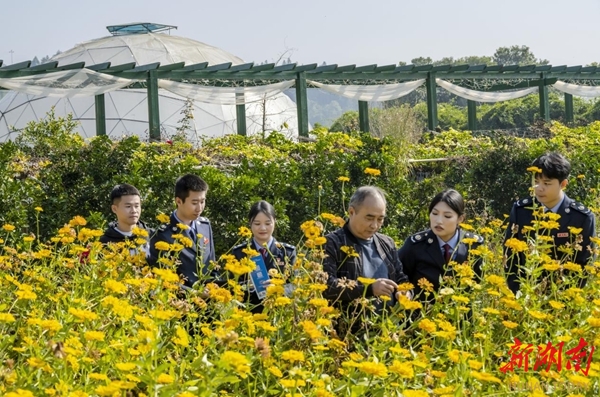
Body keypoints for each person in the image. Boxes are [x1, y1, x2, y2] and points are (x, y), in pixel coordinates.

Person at [322, 186, 412, 333]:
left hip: (386, 333)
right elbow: (326, 286)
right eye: (369, 218)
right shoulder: (331, 243)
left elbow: (401, 278)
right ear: (351, 212)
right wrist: (368, 289)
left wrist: (404, 292)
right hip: (346, 333)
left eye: (380, 219)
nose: (374, 225)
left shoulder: (387, 244)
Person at [504, 152, 596, 294]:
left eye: (547, 183)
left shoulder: (581, 217)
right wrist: (518, 293)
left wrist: (565, 297)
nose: (539, 188)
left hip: (563, 297)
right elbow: (510, 257)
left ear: (563, 184)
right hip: (526, 295)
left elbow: (585, 263)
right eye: (536, 182)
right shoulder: (521, 210)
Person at [398, 189, 483, 302]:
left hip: (460, 316)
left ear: (460, 219)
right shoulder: (416, 245)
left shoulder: (473, 245)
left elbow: (478, 283)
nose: (438, 221)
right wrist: (405, 292)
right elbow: (398, 273)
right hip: (421, 315)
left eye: (447, 216)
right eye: (434, 213)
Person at [148, 174, 219, 289]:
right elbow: (161, 277)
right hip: (180, 301)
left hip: (208, 301)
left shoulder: (205, 225)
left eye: (202, 201)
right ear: (179, 201)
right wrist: (194, 293)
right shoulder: (163, 234)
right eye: (194, 203)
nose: (199, 208)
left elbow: (212, 266)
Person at [231, 200, 296, 312]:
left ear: (275, 222)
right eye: (257, 224)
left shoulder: (287, 252)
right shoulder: (239, 252)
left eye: (267, 223)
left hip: (279, 314)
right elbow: (231, 285)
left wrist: (277, 289)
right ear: (250, 223)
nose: (262, 228)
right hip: (247, 314)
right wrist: (247, 286)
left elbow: (295, 286)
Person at [100, 183, 152, 254]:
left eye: (136, 206)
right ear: (114, 209)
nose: (134, 211)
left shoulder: (152, 236)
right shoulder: (104, 242)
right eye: (128, 206)